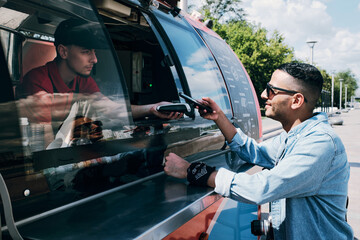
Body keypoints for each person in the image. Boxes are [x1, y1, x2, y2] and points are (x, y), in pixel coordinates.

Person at [164, 62, 354, 239]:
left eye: (271, 91)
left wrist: (194, 171)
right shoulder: (295, 137)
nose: (264, 95)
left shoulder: (319, 143)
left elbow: (261, 188)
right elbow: (255, 152)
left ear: (296, 100)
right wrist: (219, 117)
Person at [19, 18, 183, 124]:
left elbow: (109, 108)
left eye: (94, 52)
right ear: (63, 52)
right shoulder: (37, 81)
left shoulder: (82, 79)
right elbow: (43, 138)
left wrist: (152, 108)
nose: (94, 59)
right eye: (86, 52)